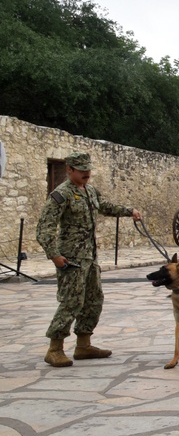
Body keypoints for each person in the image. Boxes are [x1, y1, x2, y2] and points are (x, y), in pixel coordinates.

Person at [35, 152, 142, 368]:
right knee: (71, 301)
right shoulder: (61, 195)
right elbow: (44, 229)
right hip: (71, 258)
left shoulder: (90, 191)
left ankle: (83, 345)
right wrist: (54, 255)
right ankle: (54, 349)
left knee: (94, 299)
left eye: (88, 170)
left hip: (89, 257)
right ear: (69, 170)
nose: (86, 174)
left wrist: (129, 211)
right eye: (82, 170)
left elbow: (105, 206)